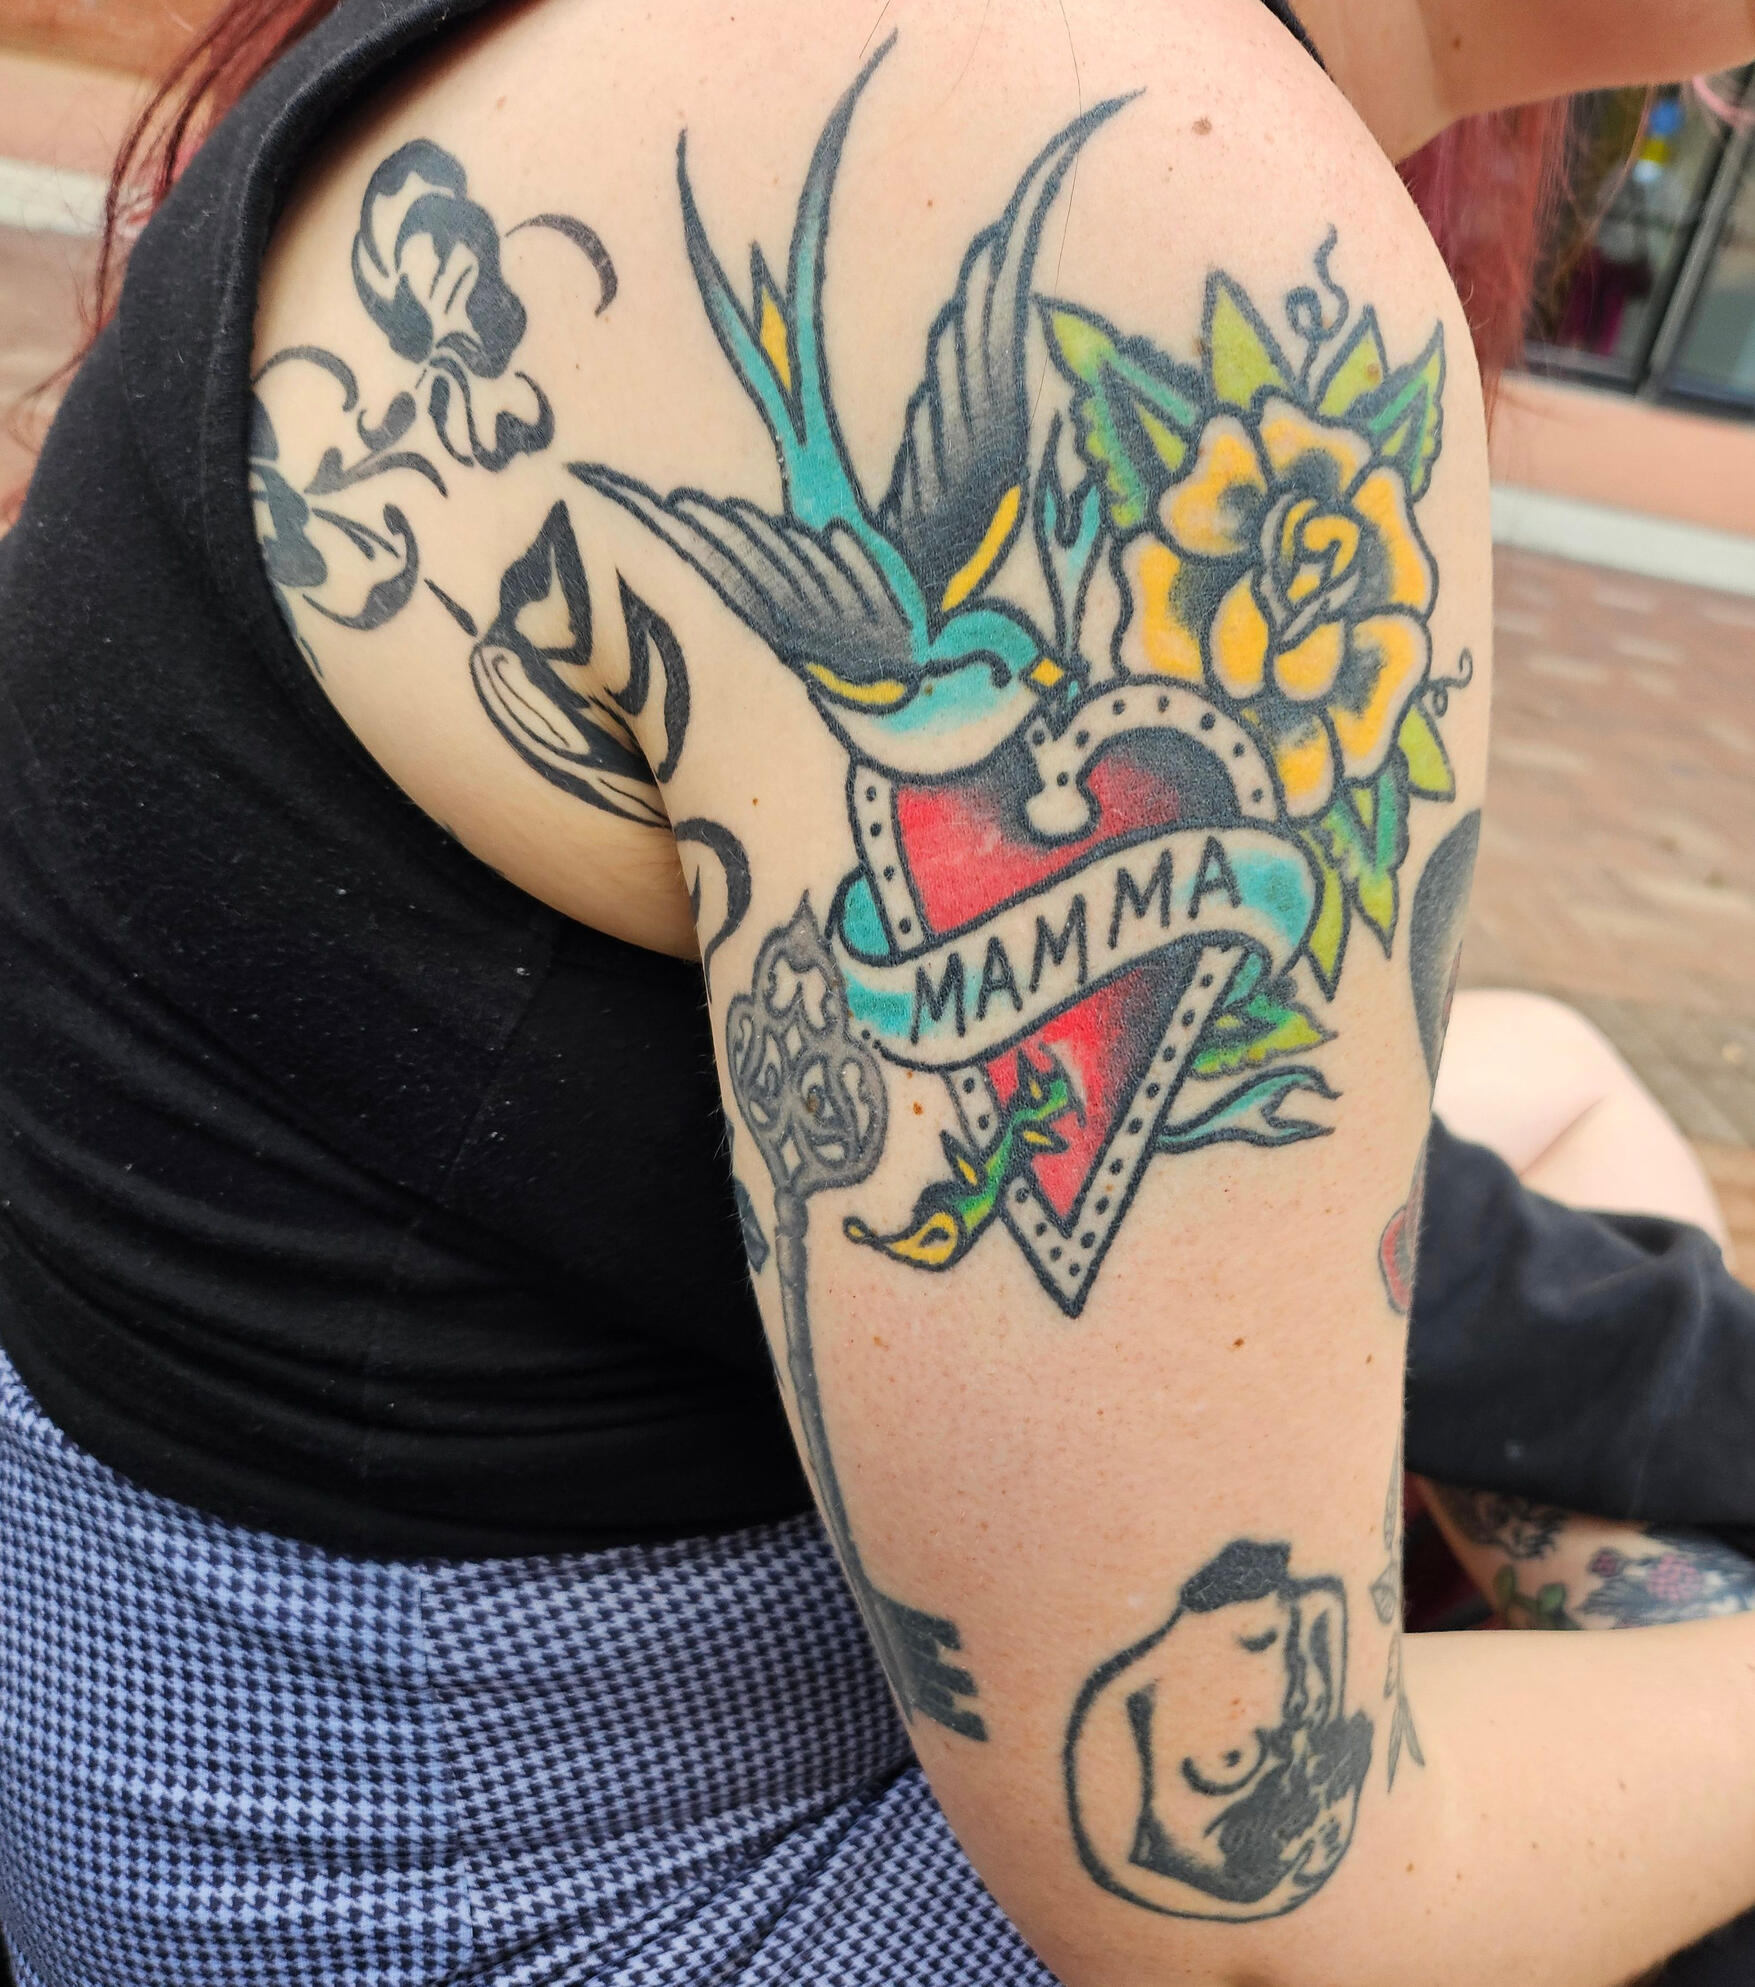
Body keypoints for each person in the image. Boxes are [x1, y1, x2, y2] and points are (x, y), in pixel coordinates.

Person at [3, 3, 1755, 1985]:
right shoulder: (1112, 167)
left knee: (1550, 1083)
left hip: (175, 1705)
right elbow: (1259, 1923)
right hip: (470, 1881)